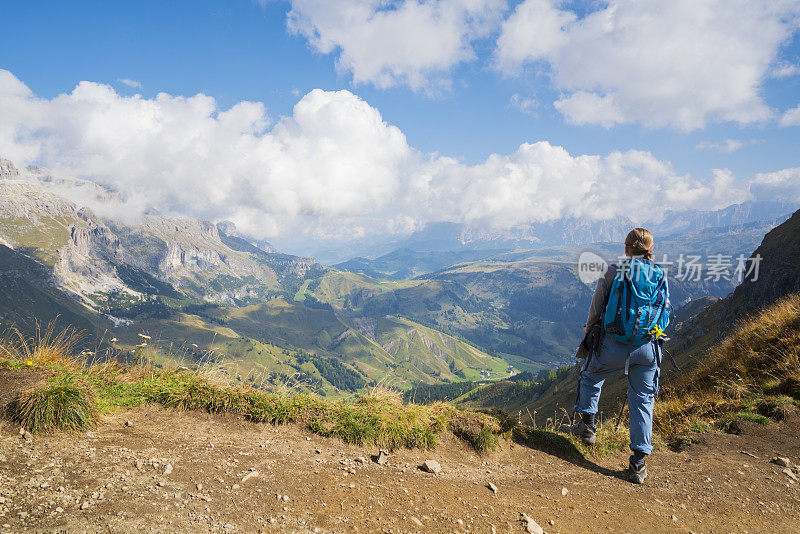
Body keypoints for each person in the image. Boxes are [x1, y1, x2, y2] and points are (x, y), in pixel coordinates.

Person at [561, 228, 669, 484]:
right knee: (643, 400)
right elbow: (665, 308)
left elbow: (597, 305)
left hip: (615, 343)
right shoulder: (659, 273)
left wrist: (589, 329)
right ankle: (638, 463)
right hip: (648, 345)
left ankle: (587, 426)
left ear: (626, 248)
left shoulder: (614, 271)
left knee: (590, 374)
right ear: (651, 250)